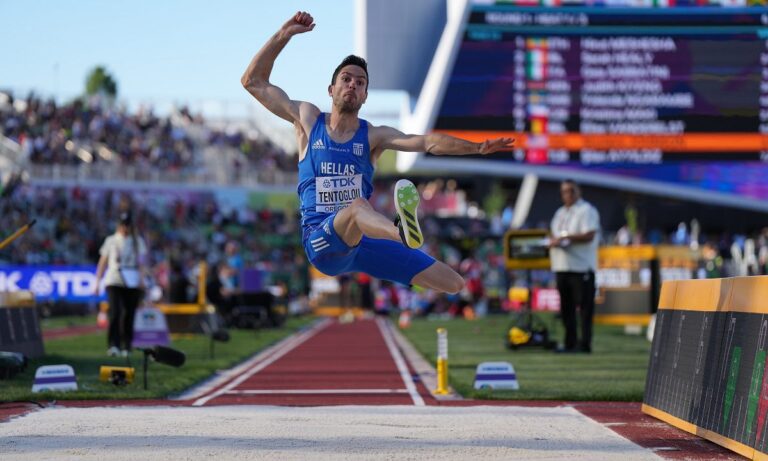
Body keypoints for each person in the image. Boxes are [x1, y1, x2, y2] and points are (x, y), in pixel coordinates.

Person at [241, 11, 514, 293]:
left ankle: (402, 234)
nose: (352, 85)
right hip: (320, 242)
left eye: (360, 83)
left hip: (360, 241)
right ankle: (402, 232)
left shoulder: (372, 136)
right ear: (331, 89)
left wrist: (478, 147)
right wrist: (284, 34)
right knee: (359, 206)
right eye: (346, 79)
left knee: (454, 283)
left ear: (365, 96)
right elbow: (253, 81)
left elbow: (427, 142)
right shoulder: (308, 120)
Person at [548, 179, 600, 353]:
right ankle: (570, 342)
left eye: (571, 190)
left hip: (581, 267)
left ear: (578, 191)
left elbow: (590, 235)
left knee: (584, 309)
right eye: (564, 191)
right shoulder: (560, 213)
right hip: (562, 266)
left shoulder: (586, 210)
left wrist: (566, 238)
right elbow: (555, 234)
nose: (568, 194)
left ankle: (584, 343)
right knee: (566, 308)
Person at [93, 210, 149, 357]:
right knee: (115, 312)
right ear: (119, 225)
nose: (125, 228)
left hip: (132, 279)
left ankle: (127, 345)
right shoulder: (111, 240)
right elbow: (103, 262)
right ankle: (113, 345)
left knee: (129, 314)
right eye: (123, 225)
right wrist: (97, 282)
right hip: (114, 279)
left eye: (128, 225)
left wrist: (142, 279)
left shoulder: (138, 241)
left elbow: (142, 263)